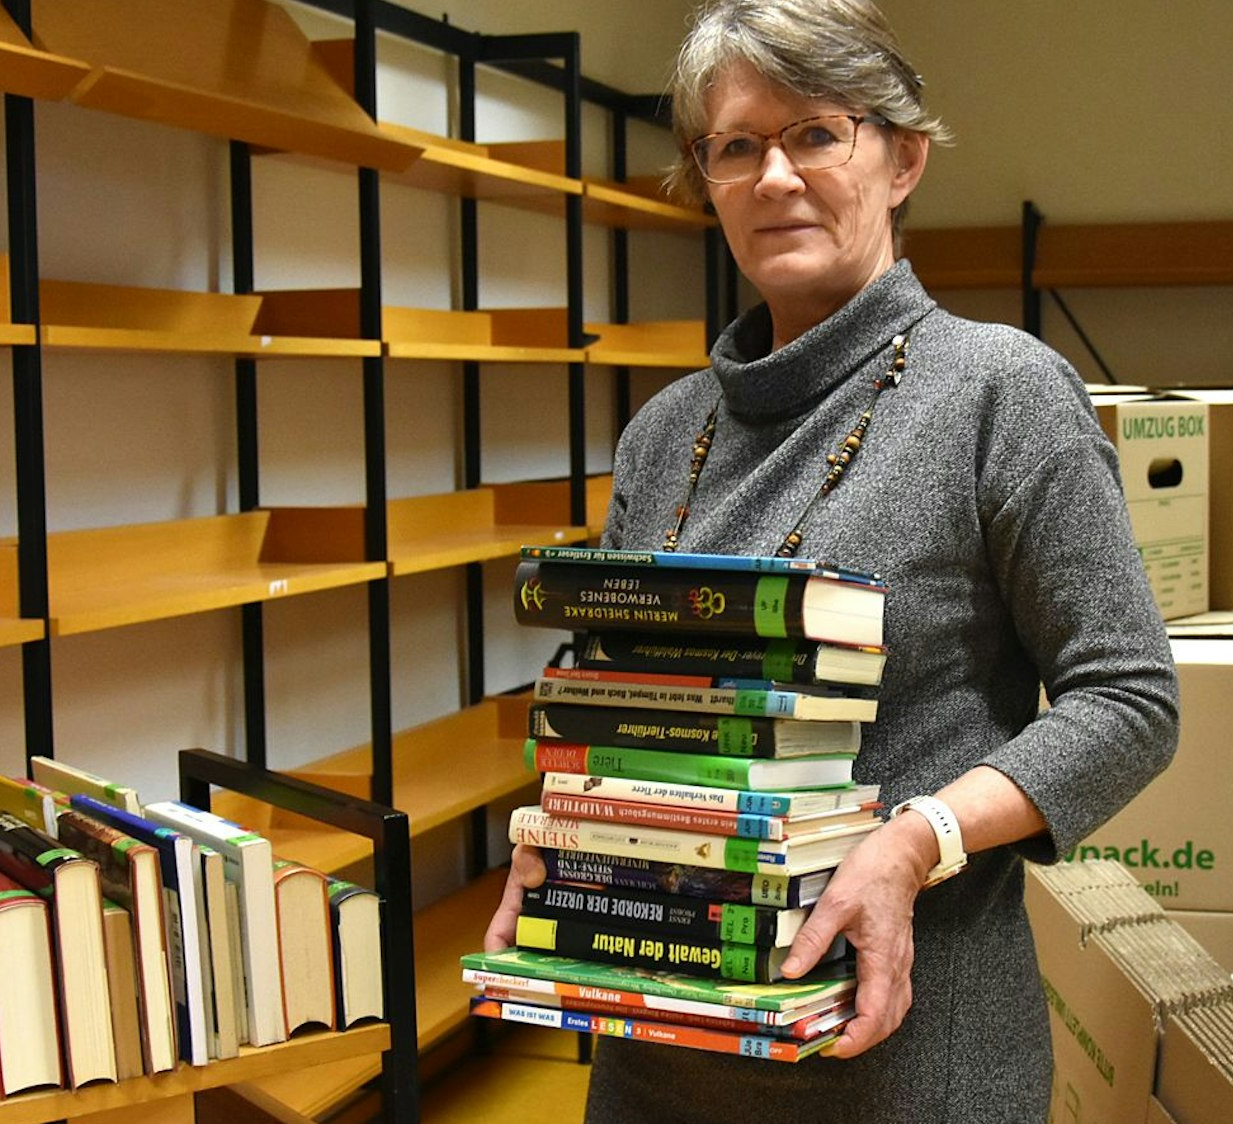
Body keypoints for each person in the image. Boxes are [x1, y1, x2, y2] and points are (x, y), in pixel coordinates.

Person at [484, 0, 1179, 1118]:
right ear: (706, 180)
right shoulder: (662, 430)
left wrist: (917, 839)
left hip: (889, 1046)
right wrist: (567, 842)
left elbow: (1129, 697)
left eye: (815, 133)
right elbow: (622, 703)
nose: (772, 177)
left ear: (901, 160)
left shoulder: (999, 392)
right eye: (736, 145)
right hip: (655, 1045)